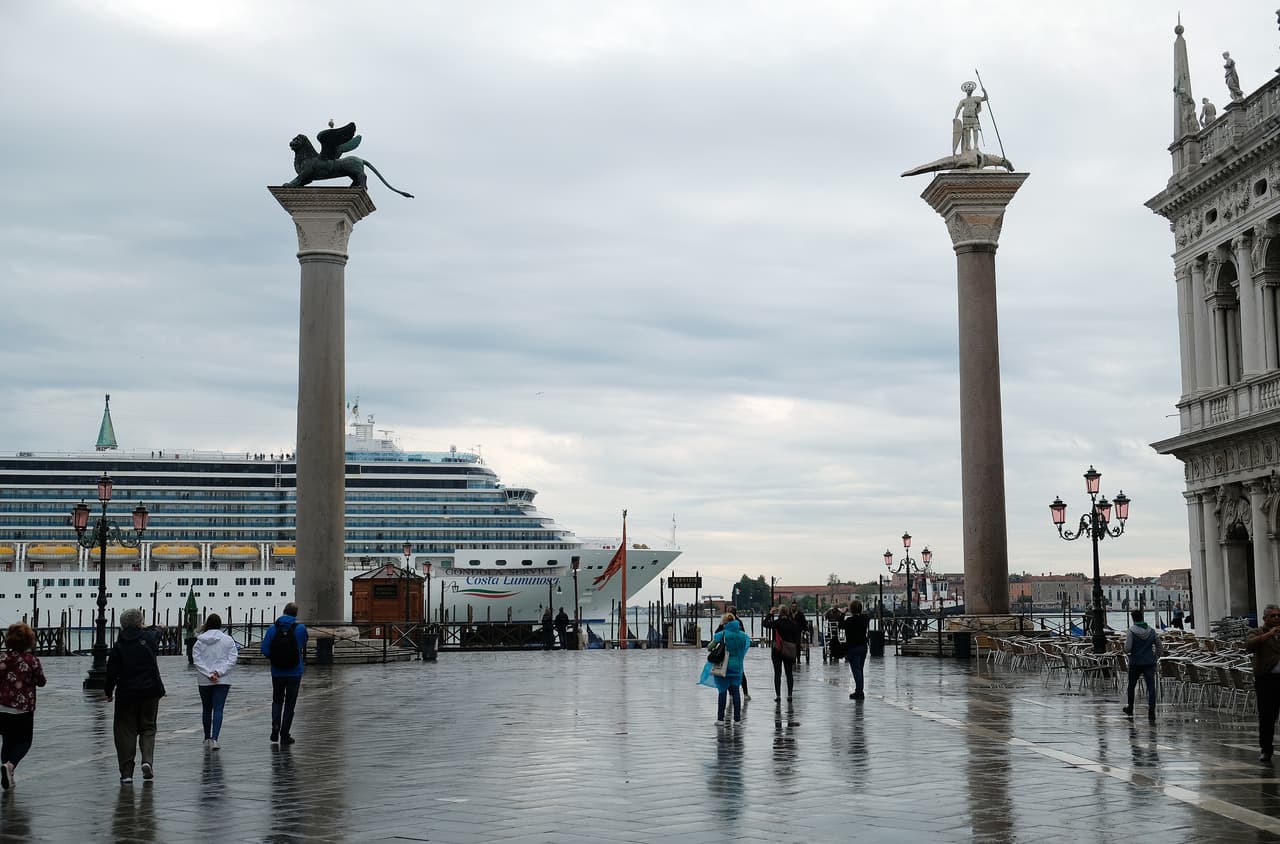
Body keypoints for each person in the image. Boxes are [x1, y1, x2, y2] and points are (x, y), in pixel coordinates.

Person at [104, 609, 166, 784]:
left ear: (123, 625)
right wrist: (159, 627)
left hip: (127, 693)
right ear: (140, 622)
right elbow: (157, 631)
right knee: (148, 727)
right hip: (150, 691)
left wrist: (108, 691)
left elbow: (111, 671)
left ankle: (126, 773)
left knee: (125, 731)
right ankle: (147, 761)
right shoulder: (150, 638)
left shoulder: (119, 645)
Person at [0, 623, 45, 790]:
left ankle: (8, 774)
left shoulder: (2, 658)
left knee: (7, 740)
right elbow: (41, 681)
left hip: (2, 707)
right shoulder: (31, 660)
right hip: (23, 708)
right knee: (24, 741)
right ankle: (10, 765)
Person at [260, 602, 308, 746]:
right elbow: (302, 644)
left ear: (284, 611)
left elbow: (264, 649)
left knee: (277, 700)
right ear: (296, 614)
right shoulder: (300, 628)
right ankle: (285, 734)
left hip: (277, 672)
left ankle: (275, 727)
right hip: (295, 671)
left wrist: (275, 658)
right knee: (290, 703)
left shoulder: (272, 628)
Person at [192, 613, 238, 750]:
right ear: (220, 624)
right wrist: (219, 672)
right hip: (223, 679)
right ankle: (215, 739)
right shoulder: (228, 640)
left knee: (206, 708)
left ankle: (206, 737)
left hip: (204, 680)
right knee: (218, 709)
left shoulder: (199, 641)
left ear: (207, 624)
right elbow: (232, 659)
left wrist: (209, 674)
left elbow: (197, 660)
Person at [701, 613, 750, 725]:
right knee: (736, 692)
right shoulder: (743, 635)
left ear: (724, 623)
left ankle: (720, 719)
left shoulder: (722, 634)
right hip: (737, 667)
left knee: (722, 691)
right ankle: (737, 720)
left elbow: (710, 647)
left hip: (723, 667)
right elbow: (745, 646)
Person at [1247, 604, 1280, 763]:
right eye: (1273, 616)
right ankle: (1266, 749)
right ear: (1265, 618)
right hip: (1266, 680)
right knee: (1267, 716)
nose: (1276, 618)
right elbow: (1249, 645)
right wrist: (1268, 635)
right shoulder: (1258, 632)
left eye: (1278, 615)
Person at [1122, 609, 1162, 721]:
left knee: (1131, 686)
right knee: (1151, 686)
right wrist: (1155, 656)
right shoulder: (1152, 631)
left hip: (1135, 662)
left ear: (1133, 619)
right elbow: (1159, 646)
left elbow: (1127, 648)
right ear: (1142, 617)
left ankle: (1130, 707)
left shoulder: (1131, 631)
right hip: (1149, 662)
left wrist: (1128, 651)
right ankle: (1151, 709)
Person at [762, 606, 799, 702]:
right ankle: (790, 694)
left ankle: (778, 695)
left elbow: (764, 624)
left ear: (779, 613)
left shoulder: (777, 623)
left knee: (777, 673)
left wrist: (770, 614)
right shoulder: (792, 624)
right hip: (788, 650)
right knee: (789, 673)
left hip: (777, 649)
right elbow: (796, 636)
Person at [841, 601, 870, 700]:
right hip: (863, 646)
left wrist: (843, 613)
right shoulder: (865, 619)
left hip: (853, 647)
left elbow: (840, 625)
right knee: (860, 669)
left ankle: (859, 692)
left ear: (851, 610)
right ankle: (859, 690)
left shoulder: (849, 621)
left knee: (856, 671)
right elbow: (865, 616)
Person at [953, 80, 987, 153]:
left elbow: (985, 98)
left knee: (975, 130)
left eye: (970, 90)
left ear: (972, 91)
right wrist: (956, 117)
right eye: (968, 90)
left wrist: (984, 92)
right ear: (966, 91)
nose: (969, 91)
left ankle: (976, 145)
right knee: (967, 131)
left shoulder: (975, 98)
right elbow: (958, 108)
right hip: (966, 117)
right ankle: (968, 145)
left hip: (973, 116)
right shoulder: (963, 101)